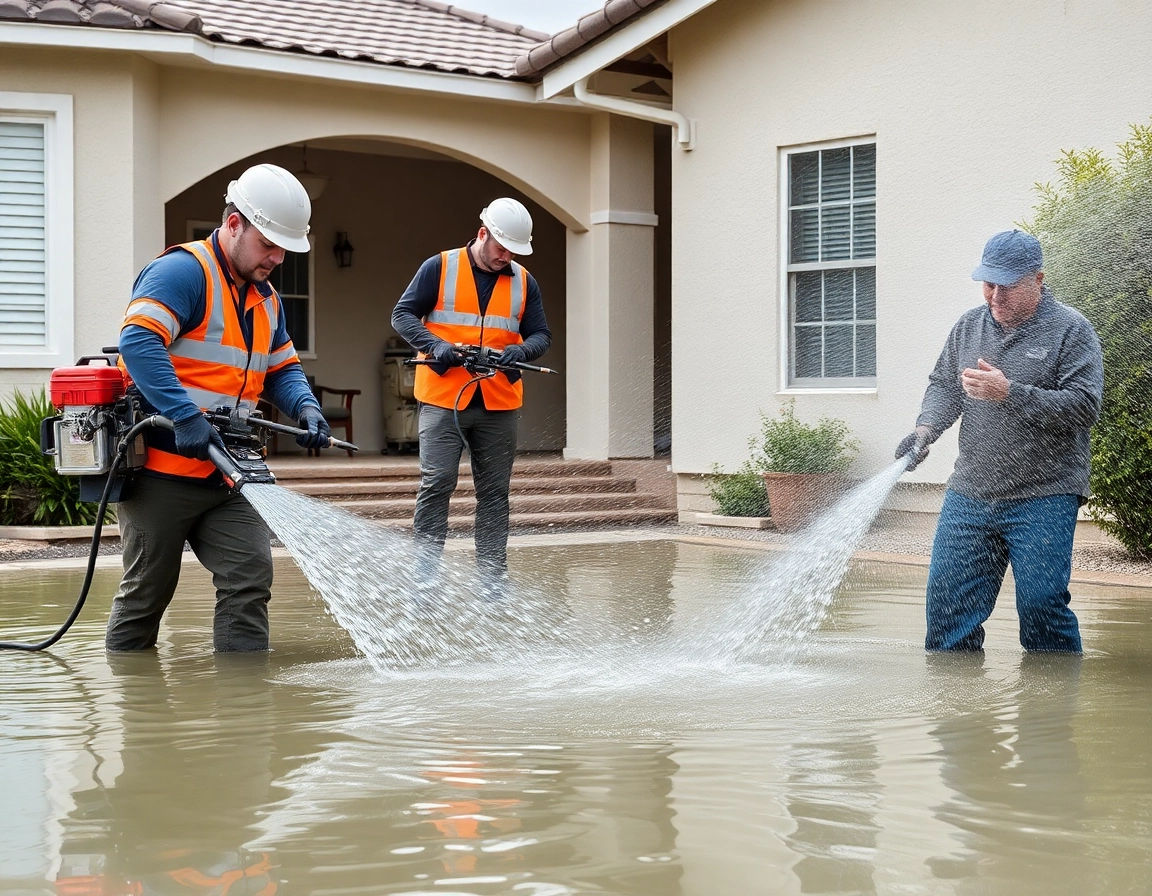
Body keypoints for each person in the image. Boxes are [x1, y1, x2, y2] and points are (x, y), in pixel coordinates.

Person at [107, 163, 331, 652]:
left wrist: (306, 409)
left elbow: (283, 369)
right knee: (147, 597)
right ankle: (136, 713)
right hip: (161, 474)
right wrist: (185, 417)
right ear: (234, 224)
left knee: (249, 582)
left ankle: (243, 712)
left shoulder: (267, 298)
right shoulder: (182, 272)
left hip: (230, 473)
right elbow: (139, 341)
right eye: (268, 244)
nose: (276, 258)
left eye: (284, 249)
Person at [896, 229, 1103, 653]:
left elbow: (1084, 407)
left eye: (1006, 286)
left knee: (1042, 606)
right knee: (947, 610)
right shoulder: (968, 327)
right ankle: (959, 710)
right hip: (971, 492)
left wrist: (1009, 393)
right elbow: (945, 386)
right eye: (988, 284)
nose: (994, 296)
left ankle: (1052, 708)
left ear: (1038, 280)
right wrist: (924, 431)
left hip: (1044, 494)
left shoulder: (1072, 330)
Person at [391, 197, 552, 587]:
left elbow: (541, 335)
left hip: (498, 401)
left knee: (495, 492)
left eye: (514, 251)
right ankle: (425, 577)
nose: (506, 257)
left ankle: (492, 579)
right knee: (438, 482)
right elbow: (402, 315)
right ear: (483, 234)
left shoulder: (524, 281)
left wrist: (521, 351)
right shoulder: (439, 267)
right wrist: (437, 347)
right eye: (501, 248)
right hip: (444, 397)